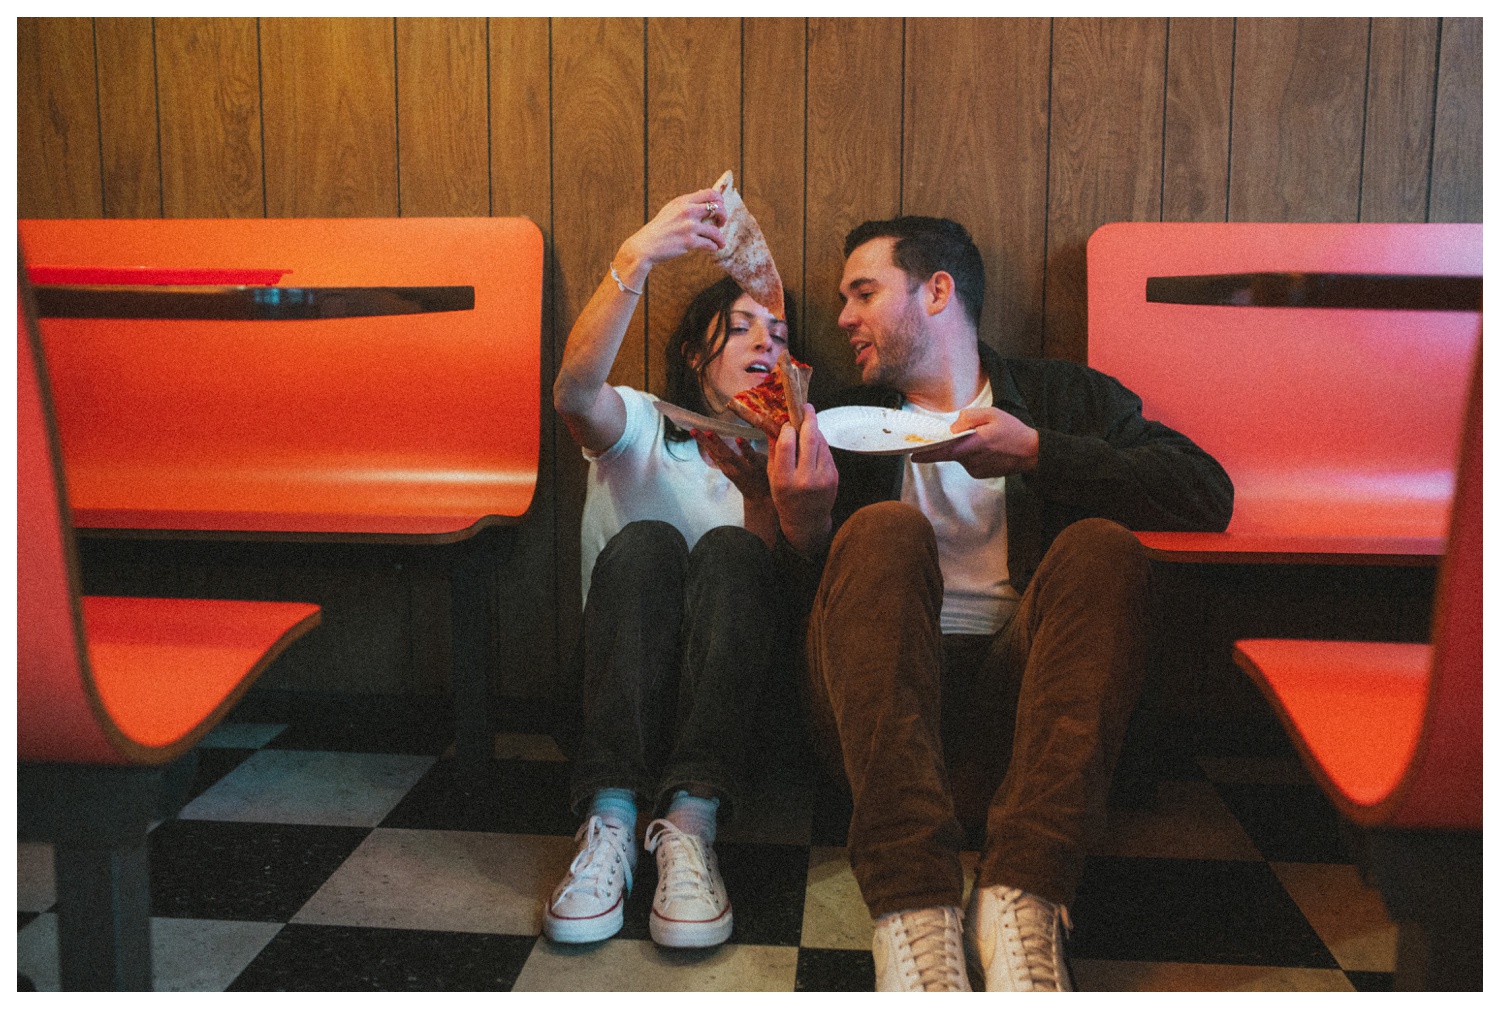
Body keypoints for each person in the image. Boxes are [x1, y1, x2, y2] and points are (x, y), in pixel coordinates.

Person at [800, 217, 1233, 990]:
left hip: (1029, 723)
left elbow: (1206, 491)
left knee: (1104, 545)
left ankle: (1021, 903)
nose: (842, 318)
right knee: (884, 530)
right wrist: (801, 520)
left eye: (863, 293)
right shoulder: (838, 424)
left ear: (938, 292)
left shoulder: (1062, 397)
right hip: (884, 728)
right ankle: (913, 914)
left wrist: (1039, 451)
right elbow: (812, 621)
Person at [546, 186, 836, 949]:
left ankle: (689, 825)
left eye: (777, 332)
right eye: (738, 327)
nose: (763, 342)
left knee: (734, 552)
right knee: (646, 545)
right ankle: (608, 822)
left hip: (728, 724)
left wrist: (767, 498)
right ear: (691, 352)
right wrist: (634, 259)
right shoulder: (642, 422)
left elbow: (769, 617)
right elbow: (573, 391)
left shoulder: (794, 457)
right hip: (615, 698)